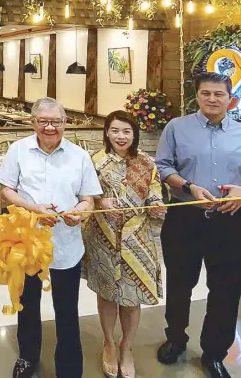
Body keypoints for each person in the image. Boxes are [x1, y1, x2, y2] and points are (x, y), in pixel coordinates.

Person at [0, 97, 102, 378]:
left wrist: (80, 212)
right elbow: (6, 190)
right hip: (26, 243)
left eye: (56, 121)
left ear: (66, 123)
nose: (50, 127)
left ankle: (68, 364)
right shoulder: (18, 150)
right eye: (43, 121)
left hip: (66, 243)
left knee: (66, 309)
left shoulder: (79, 156)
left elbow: (88, 198)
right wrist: (33, 209)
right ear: (33, 123)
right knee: (27, 305)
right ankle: (27, 357)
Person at [154, 72, 241, 378]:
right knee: (179, 283)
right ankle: (176, 338)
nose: (212, 99)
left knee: (226, 288)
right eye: (206, 93)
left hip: (231, 220)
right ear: (197, 96)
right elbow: (163, 166)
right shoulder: (177, 128)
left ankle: (214, 352)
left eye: (219, 94)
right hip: (185, 217)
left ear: (229, 98)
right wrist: (190, 187)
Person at [82, 110, 166, 378]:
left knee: (132, 297)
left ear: (134, 134)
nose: (121, 136)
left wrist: (157, 207)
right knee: (107, 294)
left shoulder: (148, 164)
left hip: (137, 240)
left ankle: (126, 346)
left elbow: (154, 195)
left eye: (126, 131)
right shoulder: (92, 162)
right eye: (115, 130)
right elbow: (84, 195)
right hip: (103, 239)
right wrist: (100, 202)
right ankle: (108, 342)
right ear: (106, 132)